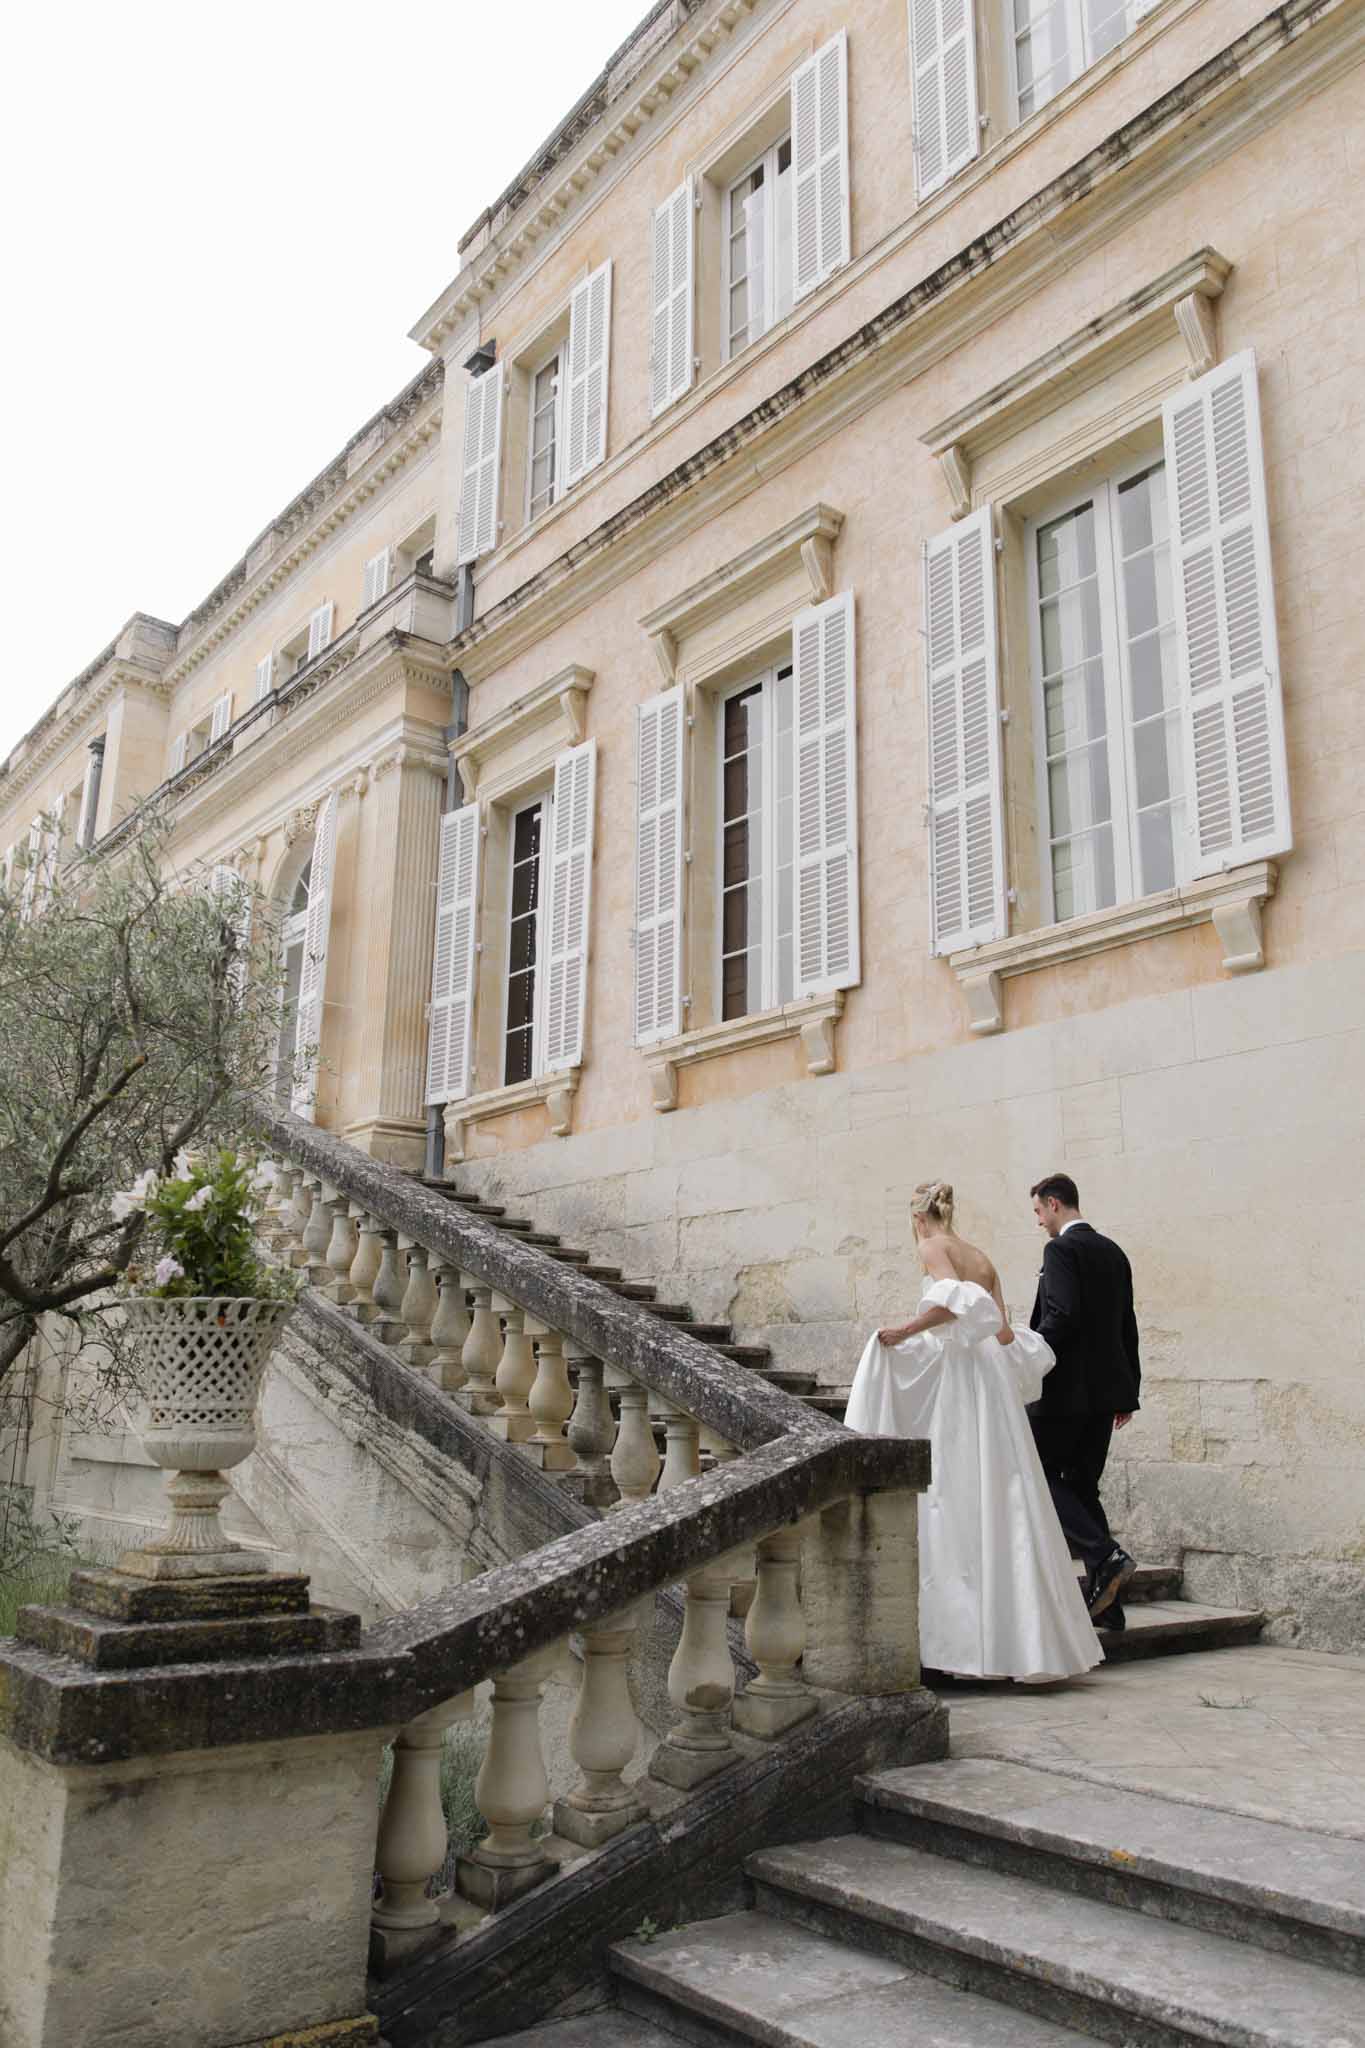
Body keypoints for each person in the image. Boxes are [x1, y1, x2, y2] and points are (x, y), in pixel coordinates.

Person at [844, 1180, 1100, 1683]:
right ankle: (1024, 1644)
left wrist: (905, 1333)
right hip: (992, 1382)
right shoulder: (981, 1257)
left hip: (961, 1381)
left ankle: (960, 1646)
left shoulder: (930, 1245)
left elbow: (949, 1306)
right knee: (1004, 1493)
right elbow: (1001, 1330)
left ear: (918, 1218)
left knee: (955, 1490)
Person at [1028, 1172, 1140, 1627]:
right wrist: (1128, 1392)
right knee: (1081, 1486)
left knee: (1033, 1471)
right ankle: (1108, 1607)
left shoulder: (1060, 1249)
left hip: (1064, 1392)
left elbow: (1061, 1314)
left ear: (1054, 1204)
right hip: (1107, 1394)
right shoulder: (1114, 1251)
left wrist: (1028, 1354)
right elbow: (1125, 1324)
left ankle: (1104, 1554)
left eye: (1038, 1211)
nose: (1038, 1222)